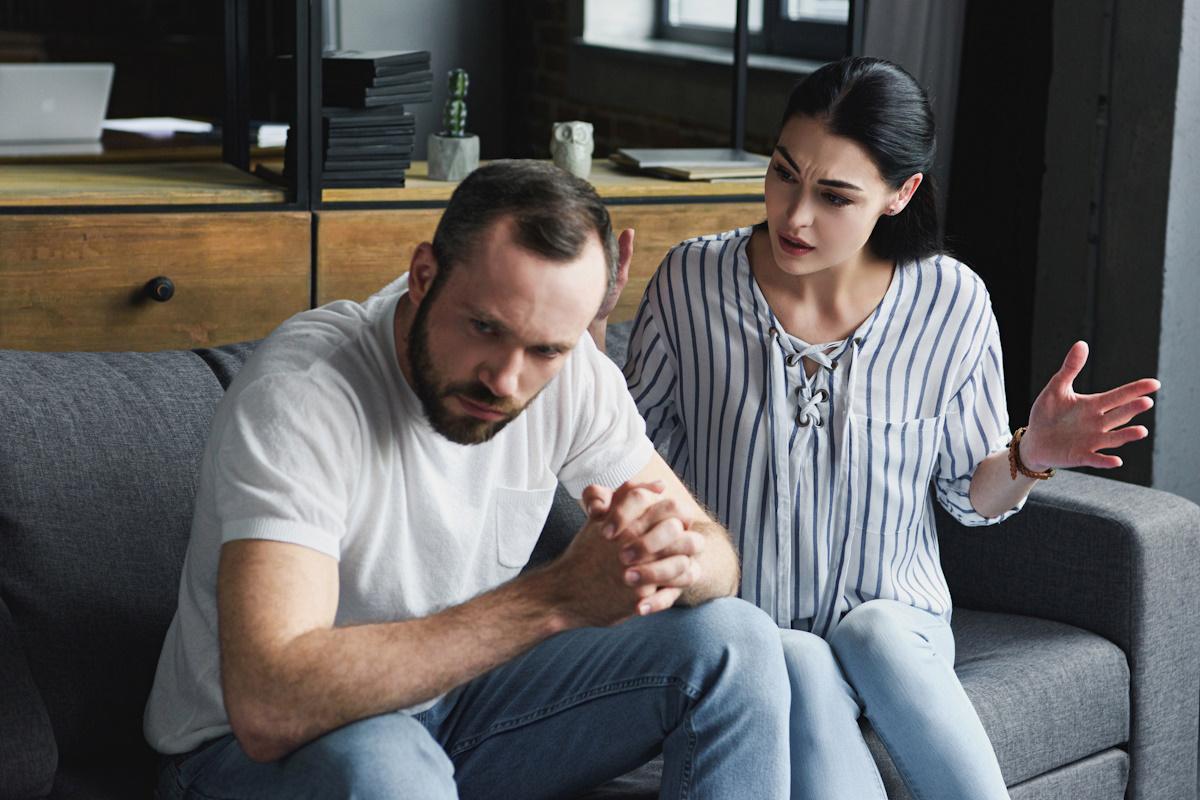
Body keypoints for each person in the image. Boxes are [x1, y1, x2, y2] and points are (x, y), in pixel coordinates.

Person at [143, 160, 792, 799]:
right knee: (391, 761)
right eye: (485, 328)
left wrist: (669, 556)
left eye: (545, 349)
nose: (506, 381)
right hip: (241, 754)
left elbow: (717, 559)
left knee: (736, 641)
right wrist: (557, 598)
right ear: (423, 276)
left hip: (451, 711)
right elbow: (269, 704)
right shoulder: (307, 396)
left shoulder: (573, 373)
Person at [618, 57, 1159, 800]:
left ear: (900, 194)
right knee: (794, 655)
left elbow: (970, 497)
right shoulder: (690, 283)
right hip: (743, 627)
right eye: (783, 174)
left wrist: (1031, 454)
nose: (794, 215)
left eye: (834, 195)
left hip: (899, 630)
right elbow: (631, 461)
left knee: (869, 630)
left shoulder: (951, 300)